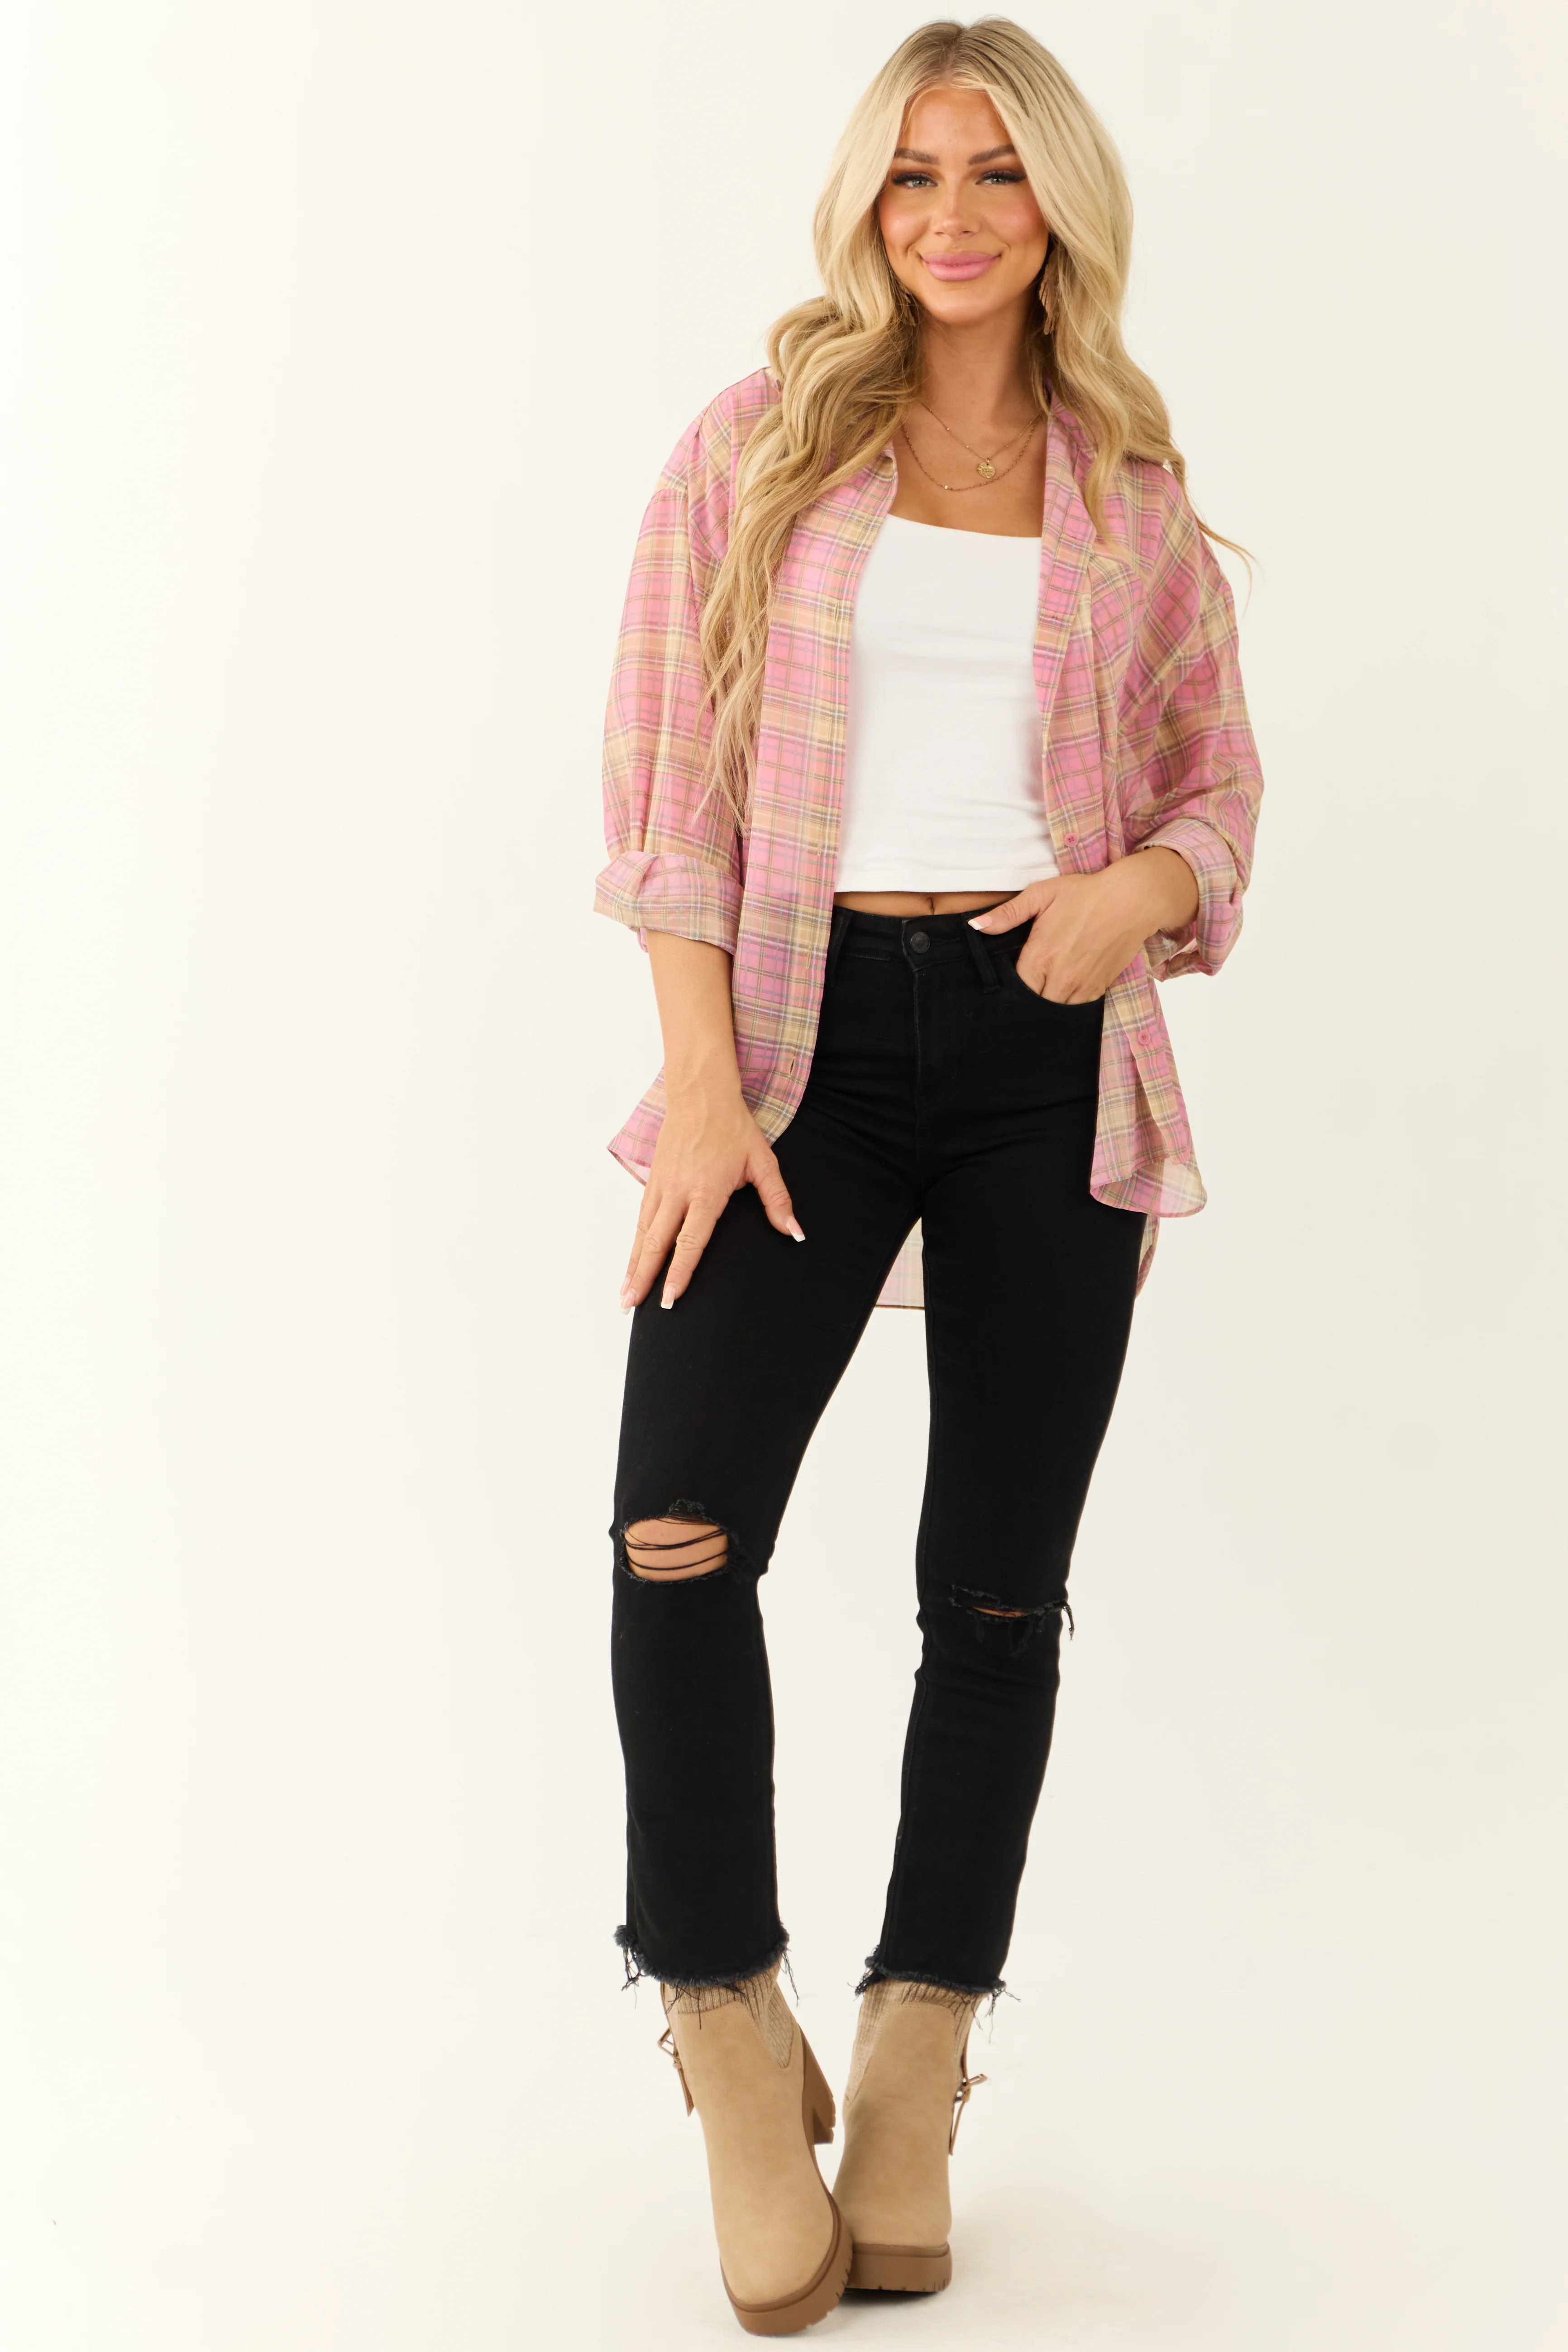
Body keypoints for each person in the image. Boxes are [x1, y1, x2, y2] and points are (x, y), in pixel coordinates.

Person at [593, 17, 1262, 2335]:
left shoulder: (1129, 490)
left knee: (991, 1595)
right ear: (865, 203)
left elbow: (1217, 793)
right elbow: (664, 794)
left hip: (1043, 1063)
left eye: (992, 173)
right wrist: (700, 1085)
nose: (951, 215)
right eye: (911, 174)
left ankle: (912, 2053)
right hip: (792, 1051)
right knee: (676, 1533)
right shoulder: (758, 445)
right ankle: (719, 2024)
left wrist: (1136, 894)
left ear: (1054, 201)